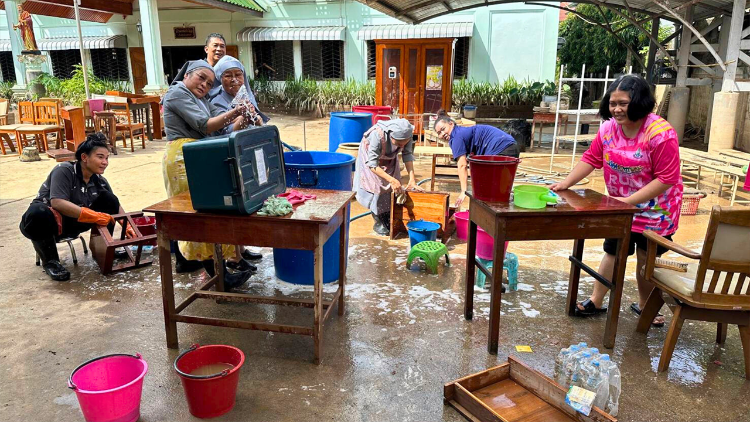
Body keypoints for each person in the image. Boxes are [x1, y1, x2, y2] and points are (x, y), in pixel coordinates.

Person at [550, 74, 683, 327]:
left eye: (624, 103)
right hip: (621, 207)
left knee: (646, 258)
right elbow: (591, 158)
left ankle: (646, 306)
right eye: (613, 103)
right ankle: (596, 300)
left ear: (640, 102)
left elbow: (667, 178)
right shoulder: (608, 128)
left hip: (656, 210)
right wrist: (567, 182)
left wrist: (628, 202)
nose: (617, 109)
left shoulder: (660, 133)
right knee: (612, 251)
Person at [162, 59, 255, 289]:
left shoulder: (202, 99)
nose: (204, 84)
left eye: (209, 82)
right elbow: (205, 125)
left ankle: (221, 273)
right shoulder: (176, 93)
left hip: (198, 154)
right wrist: (235, 111)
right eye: (200, 78)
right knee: (196, 214)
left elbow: (223, 129)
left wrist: (242, 117)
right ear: (186, 75)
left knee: (208, 213)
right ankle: (217, 274)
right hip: (183, 156)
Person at [19, 133, 132, 281]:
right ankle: (51, 262)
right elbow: (57, 202)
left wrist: (128, 225)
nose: (105, 162)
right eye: (100, 157)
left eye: (107, 158)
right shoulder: (64, 170)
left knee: (109, 198)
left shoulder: (99, 180)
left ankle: (104, 249)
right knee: (38, 212)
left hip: (74, 223)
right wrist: (95, 216)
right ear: (84, 157)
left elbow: (114, 205)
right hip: (46, 225)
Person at [434, 110, 519, 208]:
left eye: (443, 129)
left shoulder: (456, 137)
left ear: (451, 123)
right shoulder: (460, 132)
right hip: (510, 146)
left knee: (490, 190)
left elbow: (462, 165)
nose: (442, 134)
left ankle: (490, 217)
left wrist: (463, 191)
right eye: (439, 133)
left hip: (503, 148)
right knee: (495, 189)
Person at [354, 119, 423, 235]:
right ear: (391, 136)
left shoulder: (407, 134)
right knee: (377, 185)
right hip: (371, 159)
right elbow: (372, 164)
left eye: (404, 144)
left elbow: (407, 155)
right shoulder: (377, 135)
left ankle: (388, 215)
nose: (401, 146)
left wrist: (412, 179)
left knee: (395, 185)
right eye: (398, 143)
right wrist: (390, 179)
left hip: (389, 158)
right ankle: (378, 220)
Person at [211, 55, 268, 126]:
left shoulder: (246, 98)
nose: (234, 79)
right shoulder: (217, 102)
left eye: (238, 74)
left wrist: (257, 120)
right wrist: (246, 119)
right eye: (228, 76)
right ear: (220, 80)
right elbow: (226, 130)